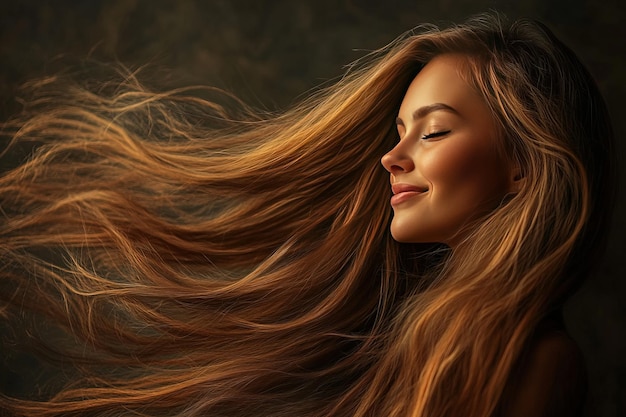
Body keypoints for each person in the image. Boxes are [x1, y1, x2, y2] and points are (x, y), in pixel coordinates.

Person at [0, 12, 615, 417]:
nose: (390, 157)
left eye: (432, 134)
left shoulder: (540, 363)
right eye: (399, 132)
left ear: (525, 165)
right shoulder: (415, 339)